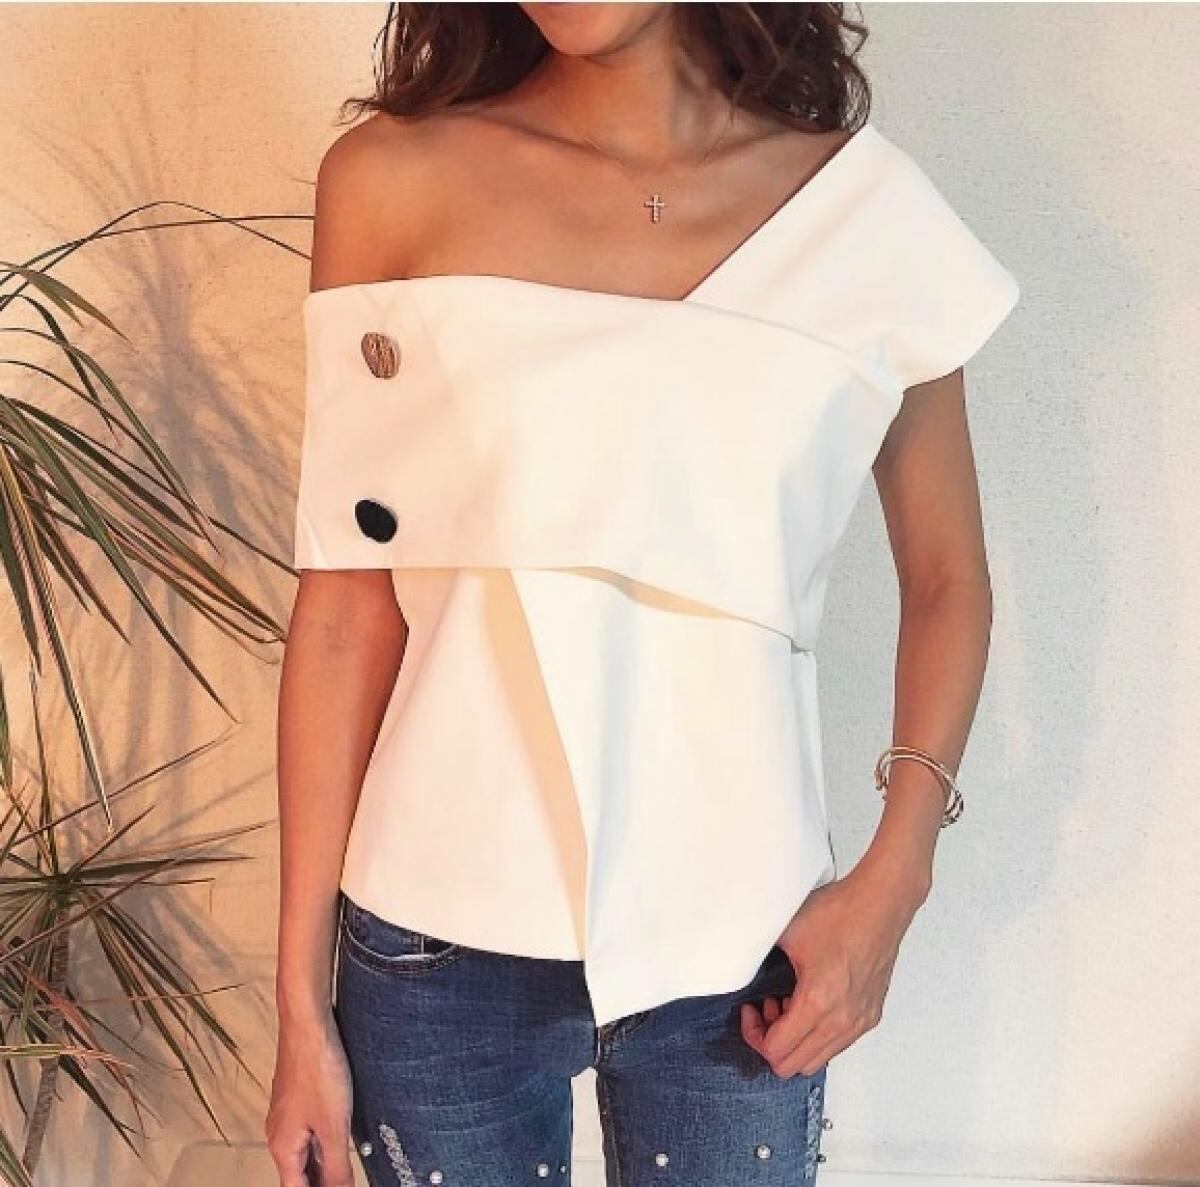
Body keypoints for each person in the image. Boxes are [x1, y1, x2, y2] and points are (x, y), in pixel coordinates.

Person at [267, 4, 1020, 1186]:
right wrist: (298, 1008)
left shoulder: (865, 217)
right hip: (431, 939)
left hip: (743, 940)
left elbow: (947, 578)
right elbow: (345, 611)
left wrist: (897, 875)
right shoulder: (392, 180)